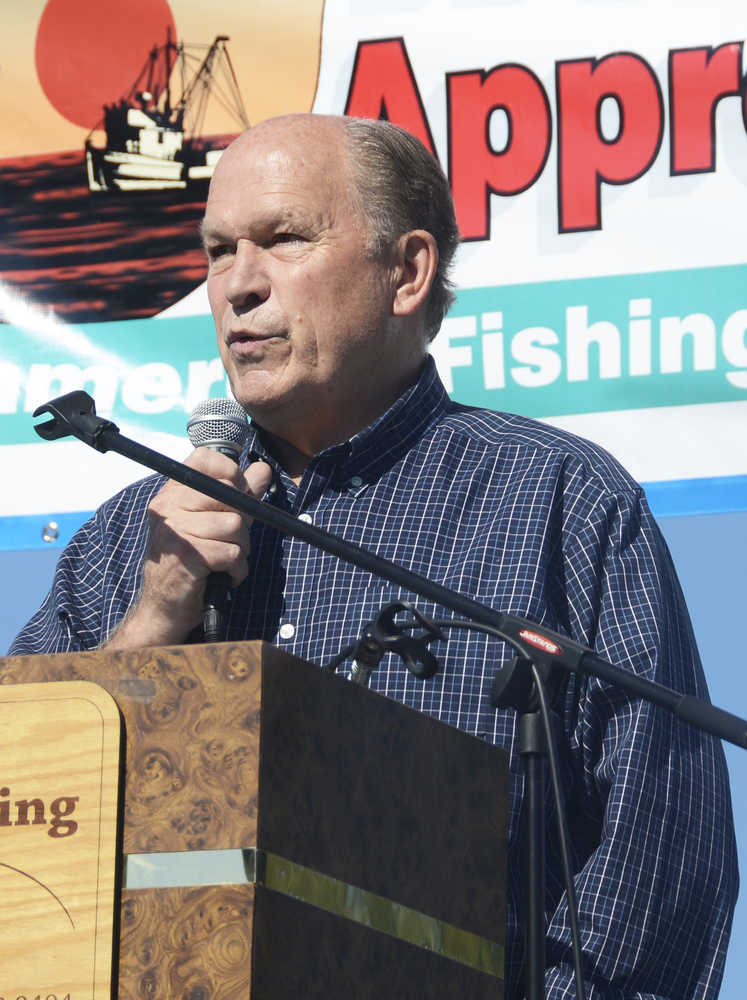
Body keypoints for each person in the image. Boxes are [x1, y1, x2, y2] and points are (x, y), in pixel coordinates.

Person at [9, 114, 738, 998]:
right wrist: (153, 616)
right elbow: (23, 820)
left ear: (406, 271)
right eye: (216, 251)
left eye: (282, 239)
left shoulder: (560, 502)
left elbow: (659, 867)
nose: (239, 286)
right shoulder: (135, 535)